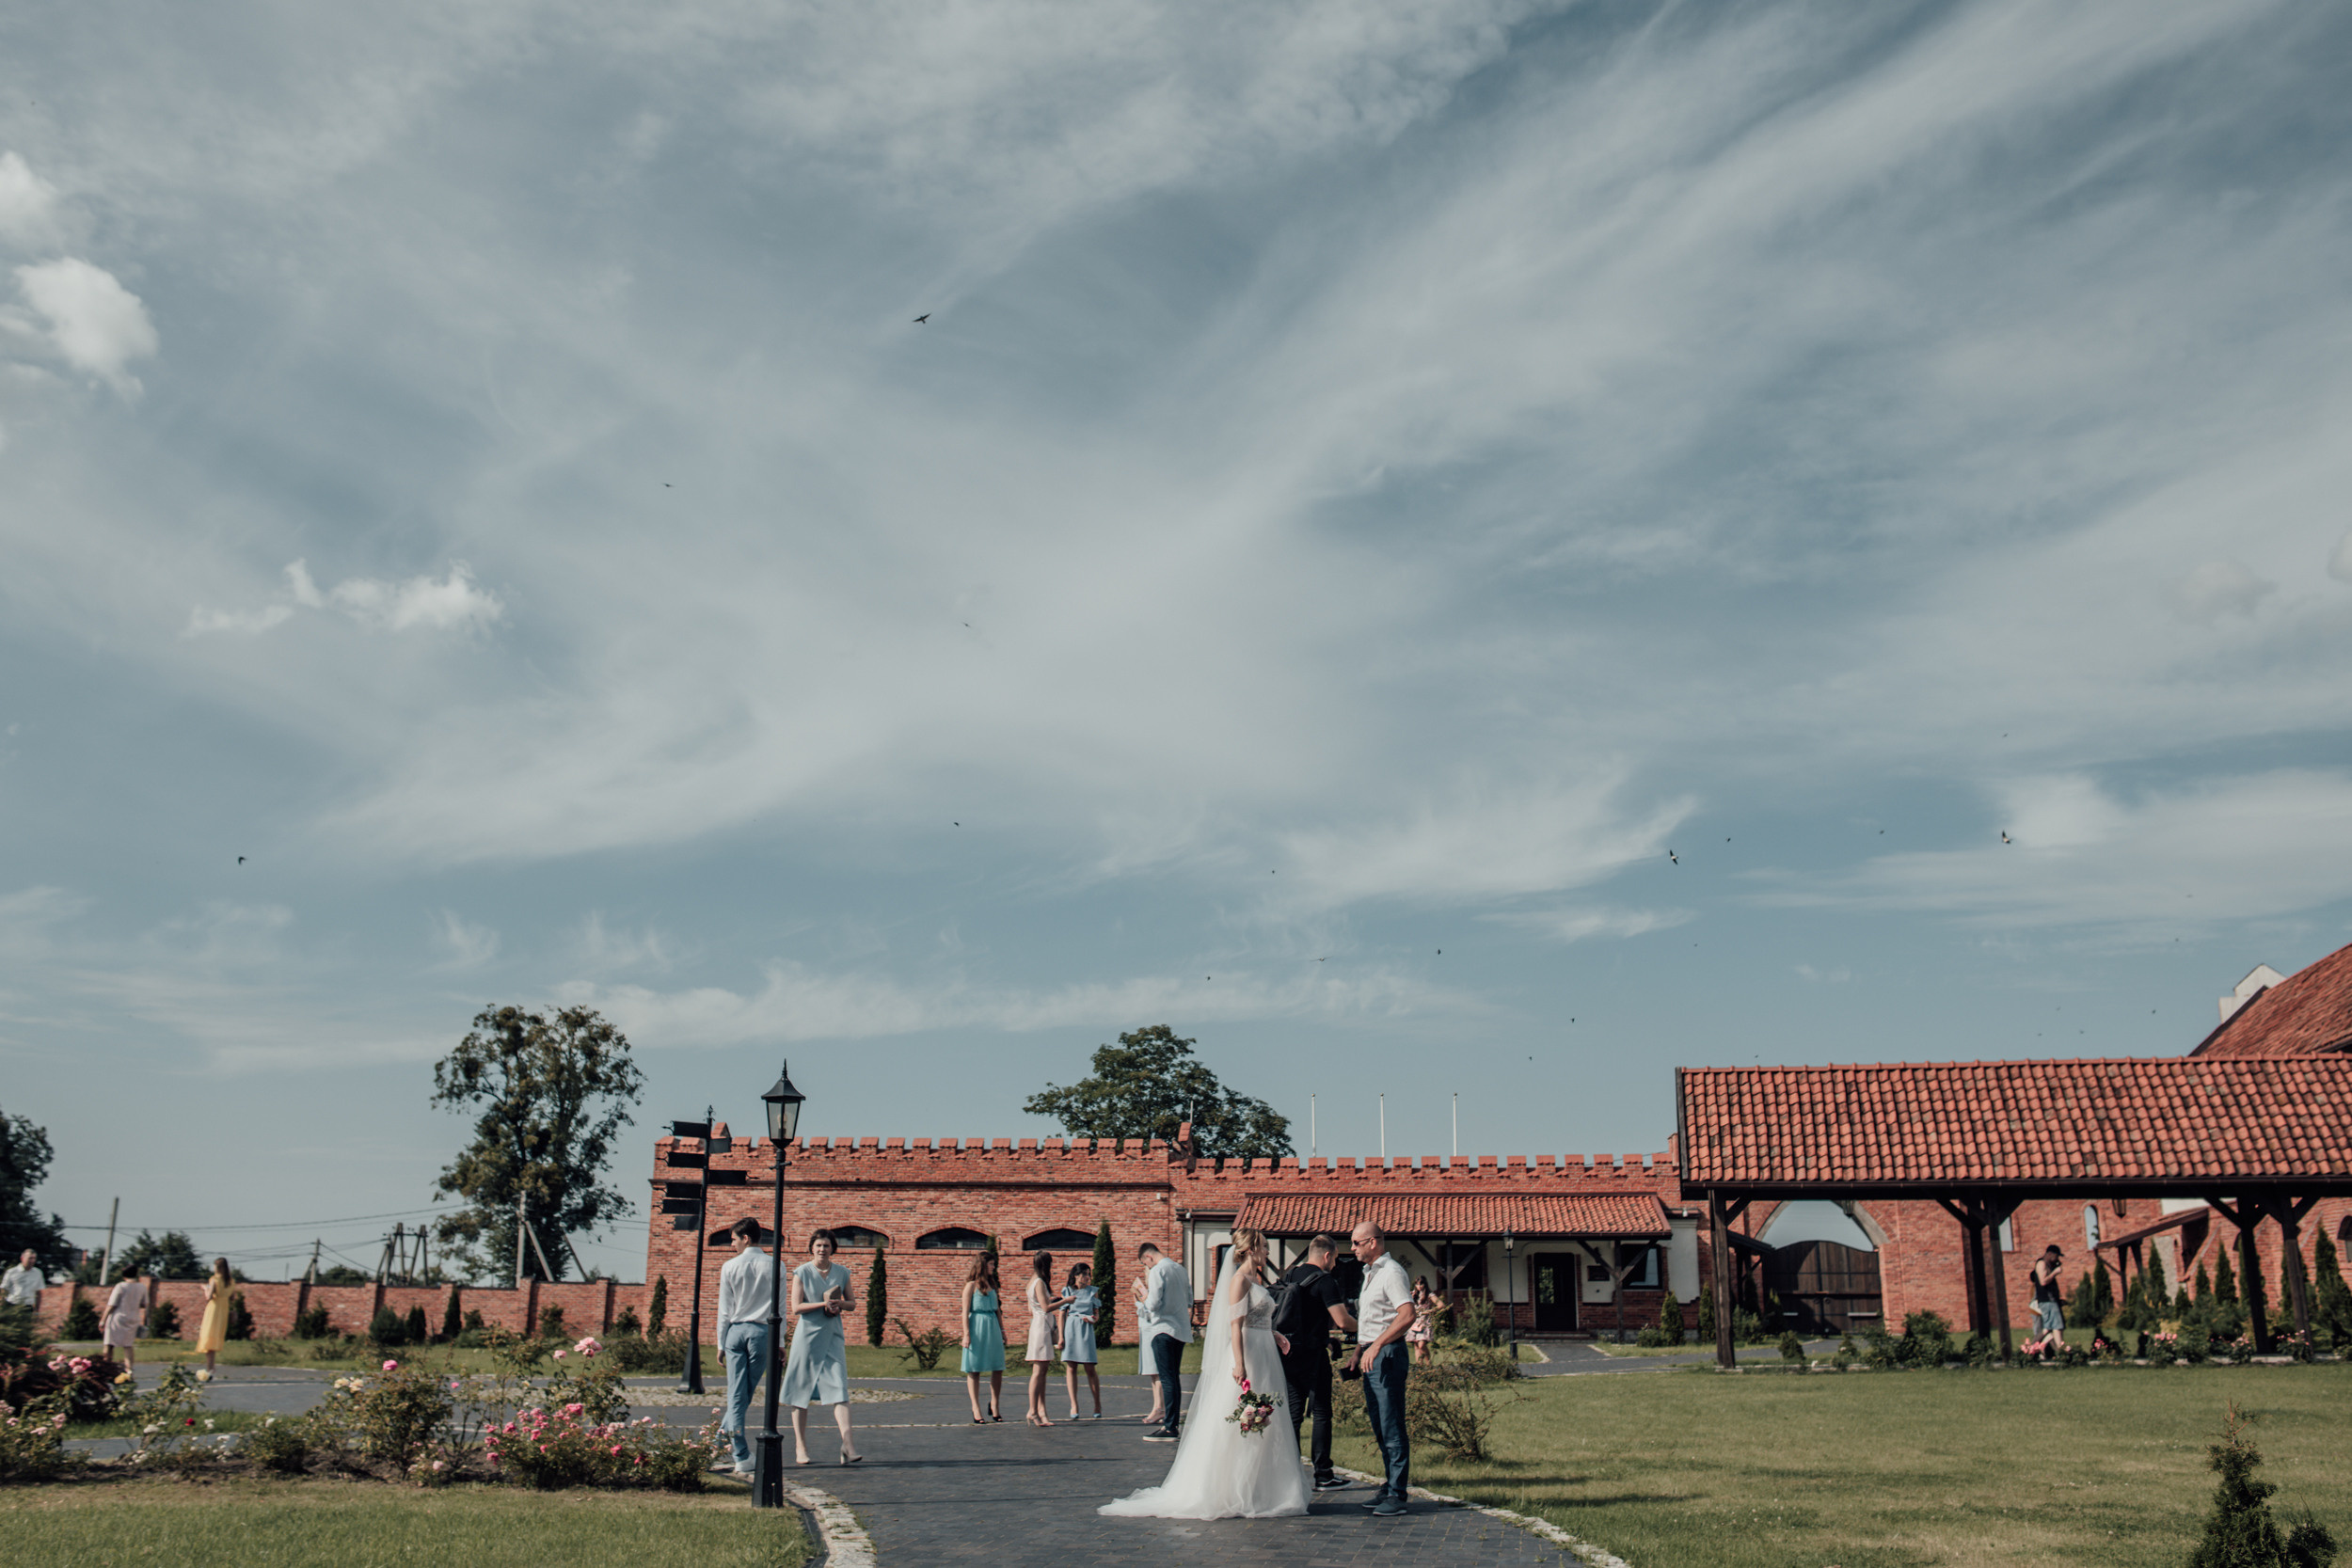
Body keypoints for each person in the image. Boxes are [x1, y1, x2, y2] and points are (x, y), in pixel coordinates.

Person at [1100, 1227, 1310, 1520]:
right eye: (1264, 1246)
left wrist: (1273, 1334)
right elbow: (1235, 1325)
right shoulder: (1239, 1280)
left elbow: (1256, 1319)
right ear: (1251, 1249)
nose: (1267, 1251)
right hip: (1249, 1354)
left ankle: (1262, 1489)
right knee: (1242, 1419)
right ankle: (1231, 1489)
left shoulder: (1254, 1279)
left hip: (1265, 1353)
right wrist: (1240, 1364)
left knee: (1264, 1419)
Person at [1273, 1234, 1354, 1493]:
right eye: (1335, 1258)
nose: (1335, 1264)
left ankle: (1290, 1476)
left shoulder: (1290, 1275)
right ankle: (1323, 1474)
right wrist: (1366, 1327)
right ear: (1327, 1255)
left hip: (1288, 1353)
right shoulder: (1325, 1281)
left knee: (1293, 1415)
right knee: (1321, 1413)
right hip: (1314, 1357)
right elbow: (1342, 1320)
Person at [1345, 1221, 1415, 1517]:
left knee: (1391, 1424)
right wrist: (1359, 1351)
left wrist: (1376, 1346)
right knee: (1379, 1423)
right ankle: (1389, 1487)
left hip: (1387, 1355)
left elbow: (1407, 1314)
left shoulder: (1391, 1273)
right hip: (1373, 1354)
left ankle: (1398, 1495)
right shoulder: (1371, 1274)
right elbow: (1373, 1320)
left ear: (1373, 1242)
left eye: (1356, 1242)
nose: (1352, 1248)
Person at [779, 1229, 863, 1466]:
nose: (822, 1249)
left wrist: (839, 1304)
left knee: (840, 1389)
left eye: (826, 1245)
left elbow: (852, 1304)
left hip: (833, 1335)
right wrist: (821, 1304)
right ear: (811, 1248)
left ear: (832, 1248)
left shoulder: (842, 1272)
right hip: (807, 1337)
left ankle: (848, 1445)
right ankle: (800, 1446)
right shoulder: (802, 1272)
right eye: (818, 1245)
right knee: (800, 1391)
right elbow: (796, 1307)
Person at [715, 1218, 777, 1477]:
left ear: (746, 1238)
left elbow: (724, 1310)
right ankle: (738, 1453)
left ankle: (720, 1444)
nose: (732, 1244)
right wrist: (780, 1342)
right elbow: (780, 1308)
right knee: (742, 1395)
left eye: (734, 1239)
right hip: (762, 1332)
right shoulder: (776, 1265)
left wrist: (721, 1342)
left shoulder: (729, 1266)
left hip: (735, 1332)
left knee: (737, 1395)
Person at [1134, 1242, 1193, 1442]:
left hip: (1163, 1329)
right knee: (1173, 1378)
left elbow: (1153, 1304)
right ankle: (1172, 1424)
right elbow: (1189, 1300)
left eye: (1146, 1263)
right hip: (1180, 1330)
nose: (1147, 1267)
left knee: (1167, 1379)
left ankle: (1169, 1427)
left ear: (1149, 1257)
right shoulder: (1181, 1270)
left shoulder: (1158, 1271)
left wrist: (1143, 1297)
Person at [961, 1250, 1007, 1423]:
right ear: (982, 1265)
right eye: (991, 1264)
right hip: (976, 1327)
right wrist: (966, 1334)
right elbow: (965, 1312)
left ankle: (994, 1404)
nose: (993, 1267)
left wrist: (1002, 1330)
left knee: (997, 1366)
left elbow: (998, 1310)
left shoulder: (992, 1285)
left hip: (992, 1326)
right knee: (974, 1368)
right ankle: (976, 1408)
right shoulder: (971, 1286)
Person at [1059, 1261, 1103, 1419]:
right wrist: (1061, 1336)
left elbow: (1097, 1313)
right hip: (1071, 1328)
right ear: (1076, 1275)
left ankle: (1097, 1403)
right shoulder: (1068, 1291)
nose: (1087, 1277)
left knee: (1089, 1367)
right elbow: (1062, 1314)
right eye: (1084, 1274)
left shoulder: (1093, 1291)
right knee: (1071, 1366)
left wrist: (1094, 1318)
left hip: (1086, 1329)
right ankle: (1074, 1404)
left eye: (1088, 1274)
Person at [1024, 1251, 1059, 1426]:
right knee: (1038, 1371)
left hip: (1040, 1324)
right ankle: (1033, 1410)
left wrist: (1054, 1300)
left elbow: (1034, 1306)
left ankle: (1041, 1410)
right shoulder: (1038, 1282)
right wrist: (1065, 1301)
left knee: (1043, 1370)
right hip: (1041, 1327)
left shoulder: (1033, 1281)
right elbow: (1045, 1308)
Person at [1133, 1268, 1164, 1427]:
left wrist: (1140, 1301)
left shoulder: (1157, 1292)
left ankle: (1160, 1407)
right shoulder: (1149, 1291)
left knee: (1157, 1371)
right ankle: (1157, 1405)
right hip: (1145, 1331)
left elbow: (1150, 1312)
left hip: (1153, 1331)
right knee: (1152, 1372)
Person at [102, 1274, 148, 1371]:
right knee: (128, 1345)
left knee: (109, 1343)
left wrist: (103, 1320)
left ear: (124, 1276)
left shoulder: (121, 1286)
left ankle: (106, 1367)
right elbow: (144, 1304)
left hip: (117, 1317)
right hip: (133, 1318)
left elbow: (112, 1304)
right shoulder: (142, 1287)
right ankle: (129, 1369)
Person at [196, 1258, 233, 1377]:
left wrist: (205, 1288)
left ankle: (210, 1368)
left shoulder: (214, 1279)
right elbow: (232, 1297)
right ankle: (211, 1367)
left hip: (214, 1309)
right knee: (214, 1337)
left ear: (217, 1267)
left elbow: (209, 1296)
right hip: (223, 1310)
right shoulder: (231, 1281)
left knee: (208, 1337)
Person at [2028, 1245, 2065, 1354]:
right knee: (2055, 1326)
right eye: (2056, 1256)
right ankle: (2060, 1350)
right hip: (2047, 1301)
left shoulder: (2047, 1265)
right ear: (2050, 1254)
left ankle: (2031, 1350)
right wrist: (2055, 1272)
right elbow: (2043, 1281)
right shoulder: (2041, 1263)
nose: (2057, 1259)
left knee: (2049, 1329)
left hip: (2051, 1300)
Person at [1406, 1277, 1438, 1365]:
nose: (1419, 1286)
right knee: (1416, 1346)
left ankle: (1428, 1364)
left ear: (1425, 1284)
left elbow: (1441, 1305)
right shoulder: (1413, 1294)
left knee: (1422, 1345)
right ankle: (1419, 1366)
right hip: (1414, 1322)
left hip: (1424, 1322)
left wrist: (1428, 1311)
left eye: (1421, 1284)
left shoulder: (1429, 1295)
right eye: (1417, 1284)